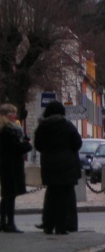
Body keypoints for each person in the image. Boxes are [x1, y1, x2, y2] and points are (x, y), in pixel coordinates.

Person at [34, 101, 82, 235]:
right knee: (64, 197)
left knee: (51, 195)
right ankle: (61, 227)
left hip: (49, 165)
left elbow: (38, 145)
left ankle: (48, 225)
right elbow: (77, 143)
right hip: (67, 166)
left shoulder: (42, 127)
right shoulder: (67, 126)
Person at [0, 103, 32, 233]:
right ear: (7, 115)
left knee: (6, 194)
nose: (15, 116)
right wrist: (27, 144)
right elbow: (16, 148)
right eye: (13, 113)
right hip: (11, 165)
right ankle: (10, 223)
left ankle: (3, 222)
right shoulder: (8, 130)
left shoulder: (5, 129)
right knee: (10, 194)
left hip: (6, 165)